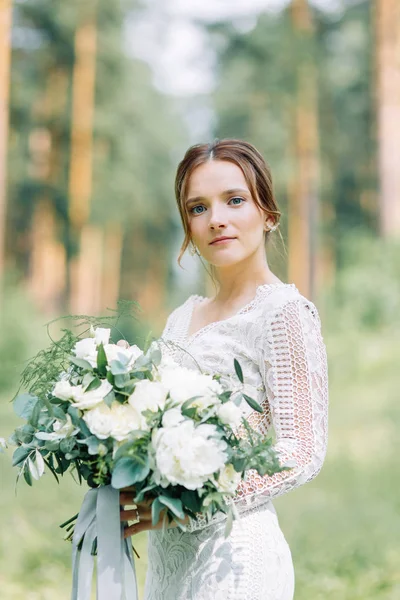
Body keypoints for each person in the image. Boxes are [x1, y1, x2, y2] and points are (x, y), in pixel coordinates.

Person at [120, 138, 329, 599]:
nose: (216, 219)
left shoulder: (283, 314)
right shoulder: (180, 318)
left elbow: (300, 451)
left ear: (268, 214)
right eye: (198, 207)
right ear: (189, 227)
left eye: (234, 200)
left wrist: (188, 506)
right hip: (166, 560)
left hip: (236, 559)